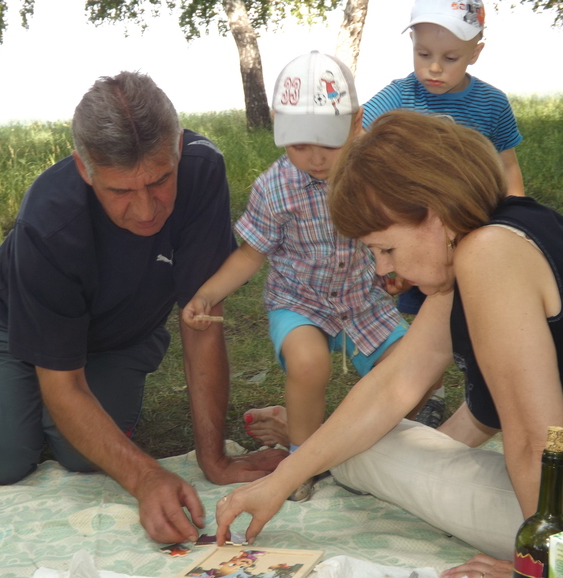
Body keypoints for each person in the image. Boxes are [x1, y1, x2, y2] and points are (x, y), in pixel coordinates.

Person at [0, 71, 286, 545]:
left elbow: (202, 320)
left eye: (160, 180)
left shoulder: (203, 170)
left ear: (178, 148)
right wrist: (145, 478)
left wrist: (213, 459)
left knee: (85, 456)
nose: (146, 210)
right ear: (84, 167)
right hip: (11, 323)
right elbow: (63, 384)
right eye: (120, 191)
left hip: (120, 334)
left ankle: (10, 399)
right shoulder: (48, 218)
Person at [214, 110, 563, 578]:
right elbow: (394, 385)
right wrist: (281, 481)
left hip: (555, 511)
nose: (382, 269)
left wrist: (536, 566)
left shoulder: (487, 255)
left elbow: (535, 441)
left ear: (434, 213)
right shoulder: (495, 235)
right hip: (549, 487)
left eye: (386, 249)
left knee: (363, 450)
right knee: (360, 441)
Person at [183, 52, 426, 503]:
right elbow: (250, 255)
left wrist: (400, 277)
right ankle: (301, 460)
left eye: (328, 145)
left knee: (416, 368)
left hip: (363, 300)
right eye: (299, 146)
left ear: (356, 123)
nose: (315, 159)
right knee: (309, 363)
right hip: (300, 302)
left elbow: (398, 241)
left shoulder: (378, 177)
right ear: (278, 126)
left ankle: (356, 441)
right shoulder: (274, 188)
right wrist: (207, 294)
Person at [361, 0, 526, 425]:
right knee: (424, 325)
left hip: (474, 239)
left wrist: (515, 223)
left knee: (480, 323)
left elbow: (507, 167)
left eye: (450, 58)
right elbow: (360, 139)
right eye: (423, 54)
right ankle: (428, 396)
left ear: (476, 53)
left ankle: (485, 398)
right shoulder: (398, 96)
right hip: (420, 241)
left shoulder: (491, 104)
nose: (434, 68)